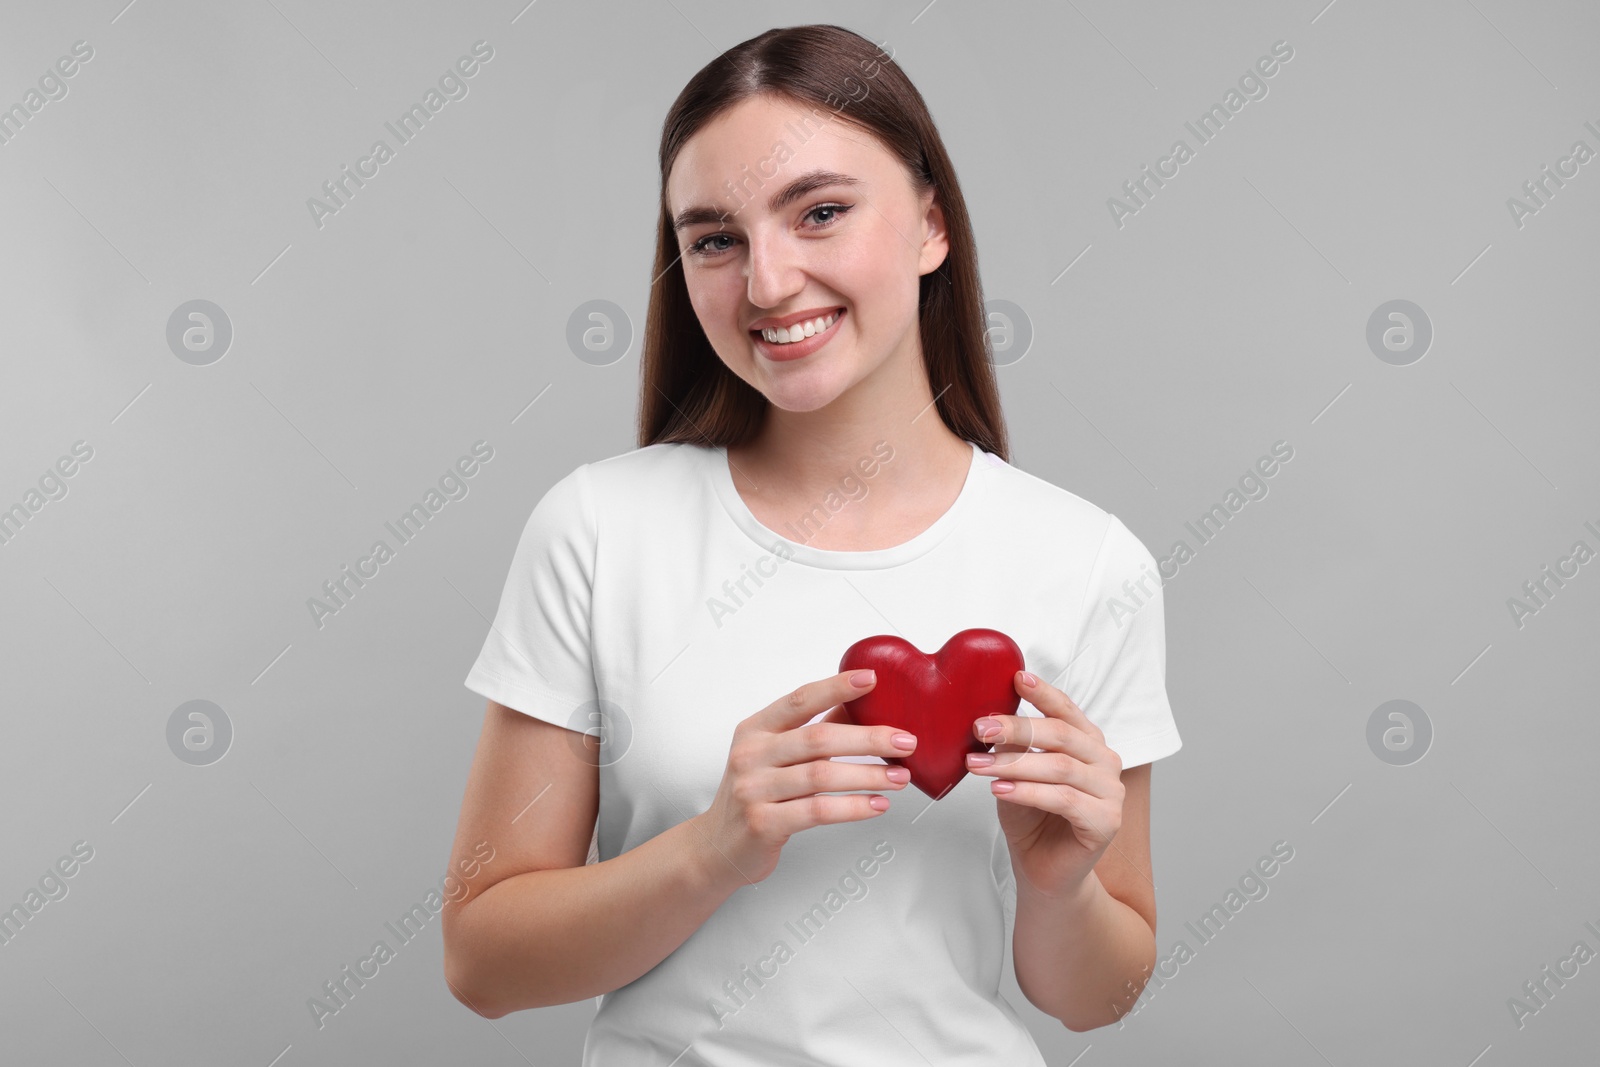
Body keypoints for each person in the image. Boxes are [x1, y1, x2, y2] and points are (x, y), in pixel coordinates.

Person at [440, 23, 1181, 1064]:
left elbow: (1099, 995)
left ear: (931, 225)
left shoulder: (1092, 564)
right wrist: (712, 847)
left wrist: (1058, 887)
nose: (769, 283)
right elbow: (483, 960)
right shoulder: (599, 531)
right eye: (715, 239)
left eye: (821, 213)